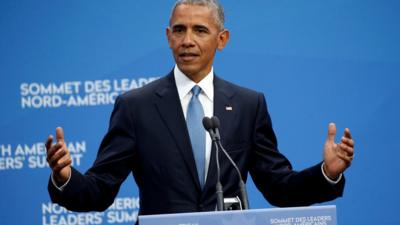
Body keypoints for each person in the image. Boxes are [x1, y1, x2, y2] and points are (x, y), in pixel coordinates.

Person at [46, 0, 355, 219]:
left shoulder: (248, 104)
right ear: (168, 38)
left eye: (200, 30)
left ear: (222, 39)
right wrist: (66, 176)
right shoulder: (135, 106)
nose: (188, 41)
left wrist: (327, 173)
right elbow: (100, 190)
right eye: (179, 30)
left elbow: (279, 187)